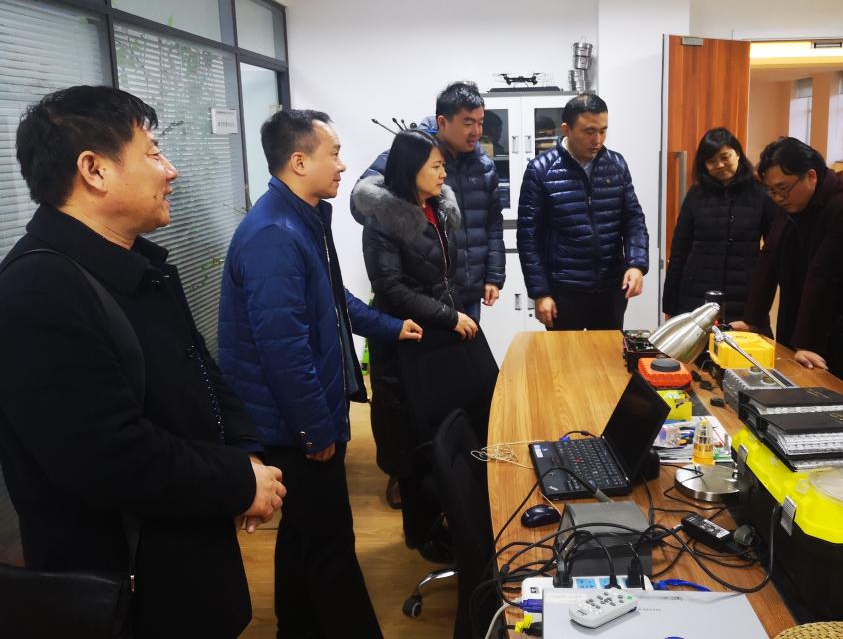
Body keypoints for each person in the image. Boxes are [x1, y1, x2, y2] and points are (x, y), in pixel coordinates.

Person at [0, 85, 286, 639]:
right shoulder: (37, 293)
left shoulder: (135, 262)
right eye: (153, 153)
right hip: (126, 596)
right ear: (94, 170)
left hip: (190, 557)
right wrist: (234, 480)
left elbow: (201, 373)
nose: (170, 171)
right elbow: (110, 456)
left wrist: (246, 455)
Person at [218, 110, 421, 639]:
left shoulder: (302, 218)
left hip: (301, 417)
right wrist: (314, 428)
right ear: (299, 161)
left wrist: (390, 327)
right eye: (333, 154)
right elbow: (283, 350)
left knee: (303, 536)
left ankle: (296, 628)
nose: (343, 165)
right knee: (330, 544)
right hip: (291, 424)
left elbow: (333, 298)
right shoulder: (274, 235)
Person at [352, 130, 497, 559]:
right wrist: (451, 317)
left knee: (470, 419)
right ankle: (427, 534)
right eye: (435, 166)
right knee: (420, 439)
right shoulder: (383, 220)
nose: (443, 173)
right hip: (412, 338)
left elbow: (444, 275)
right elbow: (392, 289)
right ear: (410, 169)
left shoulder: (437, 207)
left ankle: (470, 517)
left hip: (444, 331)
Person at [735, 138, 843, 394]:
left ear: (811, 176)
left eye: (783, 189)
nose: (778, 198)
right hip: (810, 319)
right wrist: (752, 320)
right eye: (771, 191)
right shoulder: (794, 202)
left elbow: (823, 275)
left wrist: (807, 343)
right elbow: (769, 258)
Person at [351, 81, 504, 323]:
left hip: (469, 288)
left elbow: (493, 224)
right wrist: (411, 223)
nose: (476, 131)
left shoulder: (484, 166)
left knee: (469, 344)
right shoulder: (411, 153)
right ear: (442, 122)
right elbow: (359, 202)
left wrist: (494, 276)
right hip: (422, 292)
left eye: (480, 122)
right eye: (467, 123)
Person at [517, 93, 649, 330]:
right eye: (589, 131)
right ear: (566, 129)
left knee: (608, 353)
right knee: (565, 354)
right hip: (564, 291)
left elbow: (633, 221)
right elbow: (529, 239)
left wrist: (636, 264)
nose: (597, 140)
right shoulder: (540, 170)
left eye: (603, 131)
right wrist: (540, 293)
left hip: (610, 289)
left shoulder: (616, 165)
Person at [662, 127, 776, 321]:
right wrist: (670, 304)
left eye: (725, 157)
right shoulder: (696, 195)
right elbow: (679, 251)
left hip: (743, 293)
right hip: (696, 294)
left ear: (737, 154)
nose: (720, 165)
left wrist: (761, 300)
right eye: (711, 161)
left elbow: (773, 250)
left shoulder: (760, 193)